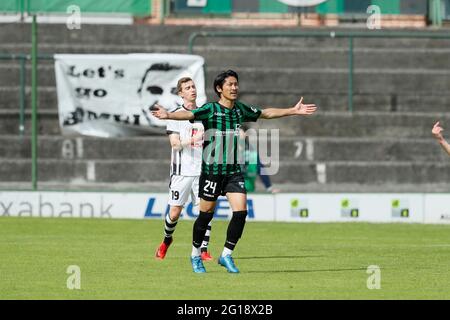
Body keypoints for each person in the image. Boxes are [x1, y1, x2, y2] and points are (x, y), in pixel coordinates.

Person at [152, 70, 317, 273]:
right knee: (205, 216)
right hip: (211, 172)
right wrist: (168, 115)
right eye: (230, 84)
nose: (234, 87)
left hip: (233, 171)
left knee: (241, 212)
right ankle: (195, 256)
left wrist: (293, 110)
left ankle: (226, 255)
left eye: (236, 84)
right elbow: (189, 114)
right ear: (219, 89)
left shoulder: (240, 109)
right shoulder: (210, 109)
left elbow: (265, 113)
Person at [155, 77, 213, 262]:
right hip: (181, 172)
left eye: (193, 86)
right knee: (174, 213)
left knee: (206, 211)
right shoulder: (175, 116)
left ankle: (203, 249)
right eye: (187, 88)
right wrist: (192, 140)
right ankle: (166, 240)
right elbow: (175, 145)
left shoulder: (204, 114)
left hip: (202, 171)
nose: (192, 90)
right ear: (181, 93)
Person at [238, 126, 280, 193]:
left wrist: (269, 188)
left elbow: (260, 169)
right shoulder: (227, 151)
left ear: (245, 134)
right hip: (231, 191)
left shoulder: (252, 153)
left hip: (248, 189)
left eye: (238, 132)